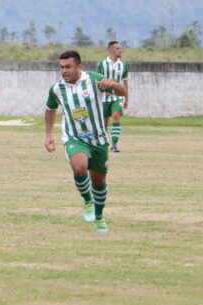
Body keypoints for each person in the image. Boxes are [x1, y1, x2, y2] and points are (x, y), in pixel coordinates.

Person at [43, 50, 127, 232]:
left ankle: (99, 216)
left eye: (68, 67)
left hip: (99, 139)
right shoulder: (57, 89)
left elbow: (122, 92)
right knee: (79, 166)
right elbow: (50, 109)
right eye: (61, 67)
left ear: (78, 66)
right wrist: (48, 135)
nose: (64, 71)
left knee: (99, 181)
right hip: (75, 137)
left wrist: (111, 83)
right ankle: (87, 201)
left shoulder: (93, 79)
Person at [96, 41, 130, 152]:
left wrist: (126, 98)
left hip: (118, 97)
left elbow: (125, 83)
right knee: (104, 123)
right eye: (117, 48)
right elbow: (97, 81)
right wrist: (103, 91)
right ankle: (103, 144)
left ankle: (114, 145)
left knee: (116, 116)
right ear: (110, 50)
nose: (120, 50)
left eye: (120, 48)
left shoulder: (124, 65)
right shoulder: (101, 64)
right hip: (104, 98)